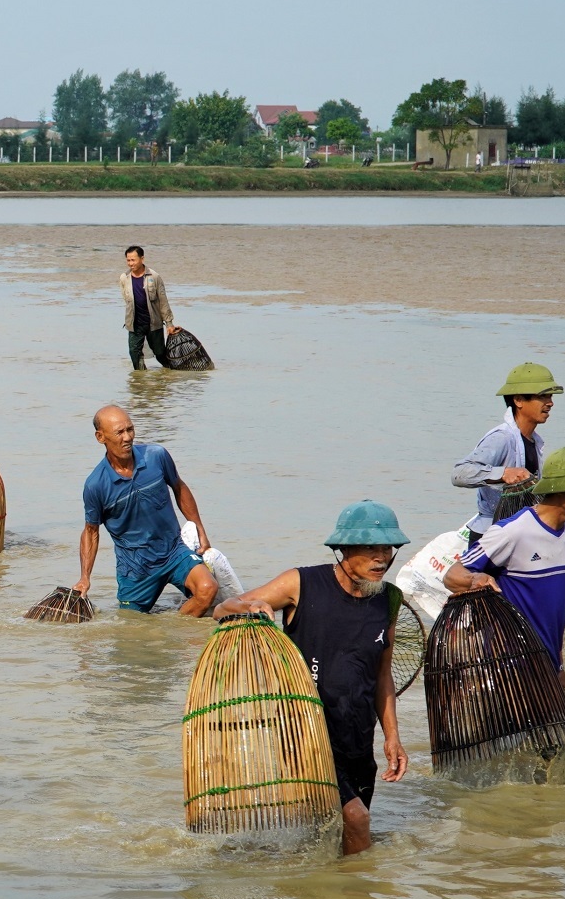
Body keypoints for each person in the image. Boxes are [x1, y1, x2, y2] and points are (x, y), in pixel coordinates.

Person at [212, 501, 413, 855]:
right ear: (344, 550)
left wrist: (392, 738)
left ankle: (320, 897)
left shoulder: (388, 600)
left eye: (388, 549)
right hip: (306, 732)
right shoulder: (301, 583)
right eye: (371, 549)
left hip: (358, 735)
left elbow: (382, 675)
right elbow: (221, 608)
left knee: (335, 831)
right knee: (358, 820)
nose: (382, 558)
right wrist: (249, 607)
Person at [444, 446, 565, 671]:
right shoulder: (512, 531)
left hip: (548, 665)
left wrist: (560, 666)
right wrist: (475, 579)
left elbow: (557, 612)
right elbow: (451, 576)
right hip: (509, 664)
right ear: (562, 489)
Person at [73, 405, 218, 615]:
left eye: (130, 429)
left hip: (173, 551)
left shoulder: (156, 456)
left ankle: (175, 633)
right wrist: (85, 577)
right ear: (100, 437)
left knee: (207, 589)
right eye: (119, 432)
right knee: (132, 629)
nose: (127, 438)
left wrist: (200, 530)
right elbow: (91, 532)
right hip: (136, 569)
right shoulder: (95, 485)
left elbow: (179, 487)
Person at [454, 361, 557, 536]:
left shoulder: (534, 441)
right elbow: (460, 474)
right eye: (543, 397)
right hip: (490, 534)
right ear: (518, 400)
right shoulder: (502, 438)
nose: (550, 403)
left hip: (518, 531)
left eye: (550, 397)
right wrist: (503, 473)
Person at [120, 245, 181, 370]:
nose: (130, 263)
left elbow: (163, 301)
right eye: (128, 260)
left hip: (153, 323)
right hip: (134, 324)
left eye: (133, 260)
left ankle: (171, 373)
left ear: (142, 259)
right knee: (134, 353)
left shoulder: (154, 277)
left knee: (159, 353)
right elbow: (126, 300)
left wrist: (169, 324)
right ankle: (140, 382)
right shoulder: (124, 278)